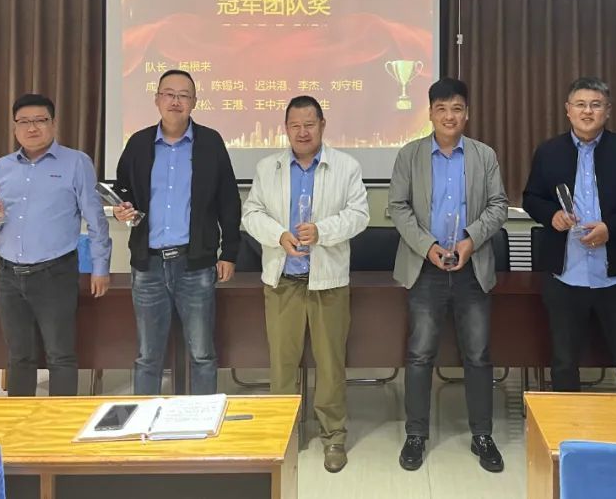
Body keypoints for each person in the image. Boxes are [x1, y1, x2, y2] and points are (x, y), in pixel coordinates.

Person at [242, 95, 369, 473]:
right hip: (283, 281)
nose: (302, 132)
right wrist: (278, 235)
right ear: (285, 128)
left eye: (309, 124)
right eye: (295, 125)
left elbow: (359, 215)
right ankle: (284, 433)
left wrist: (322, 231)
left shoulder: (346, 166)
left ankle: (334, 437)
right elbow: (251, 213)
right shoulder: (268, 167)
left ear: (322, 125)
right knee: (282, 365)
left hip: (328, 282)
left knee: (330, 364)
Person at [389, 77, 509, 473]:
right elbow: (398, 207)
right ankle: (416, 435)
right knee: (420, 353)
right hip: (425, 267)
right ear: (430, 113)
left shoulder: (483, 155)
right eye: (441, 109)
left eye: (456, 108)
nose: (449, 116)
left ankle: (482, 435)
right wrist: (428, 246)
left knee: (478, 354)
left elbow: (498, 205)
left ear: (467, 113)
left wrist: (470, 241)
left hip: (472, 268)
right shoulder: (410, 155)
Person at [522, 76, 616, 393]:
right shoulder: (549, 152)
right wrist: (551, 215)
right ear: (568, 110)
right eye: (580, 104)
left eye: (596, 105)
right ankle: (566, 426)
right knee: (563, 363)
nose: (588, 111)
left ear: (607, 110)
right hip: (565, 276)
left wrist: (612, 229)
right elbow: (531, 197)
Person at [113, 69, 241, 395]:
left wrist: (229, 252)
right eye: (169, 94)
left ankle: (201, 419)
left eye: (184, 95)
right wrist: (121, 208)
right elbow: (123, 190)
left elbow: (228, 200)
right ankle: (145, 421)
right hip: (149, 265)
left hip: (194, 265)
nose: (175, 101)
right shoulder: (138, 143)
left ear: (194, 102)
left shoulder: (210, 143)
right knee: (148, 356)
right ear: (156, 99)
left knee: (202, 354)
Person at [0, 93, 111, 396]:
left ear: (53, 124)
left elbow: (96, 219)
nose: (32, 127)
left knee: (60, 355)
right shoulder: (1, 167)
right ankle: (20, 418)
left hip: (55, 273)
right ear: (14, 127)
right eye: (24, 121)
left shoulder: (76, 162)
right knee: (18, 356)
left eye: (40, 120)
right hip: (9, 274)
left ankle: (59, 421)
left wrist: (100, 267)